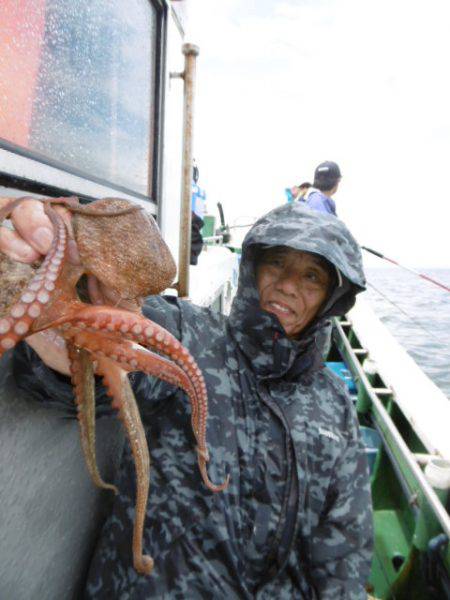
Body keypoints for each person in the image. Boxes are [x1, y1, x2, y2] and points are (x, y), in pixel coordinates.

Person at [6, 200, 373, 598]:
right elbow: (101, 353)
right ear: (253, 268)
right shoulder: (190, 333)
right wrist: (45, 288)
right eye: (277, 264)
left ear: (329, 301)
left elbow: (345, 535)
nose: (288, 284)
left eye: (312, 277)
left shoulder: (333, 400)